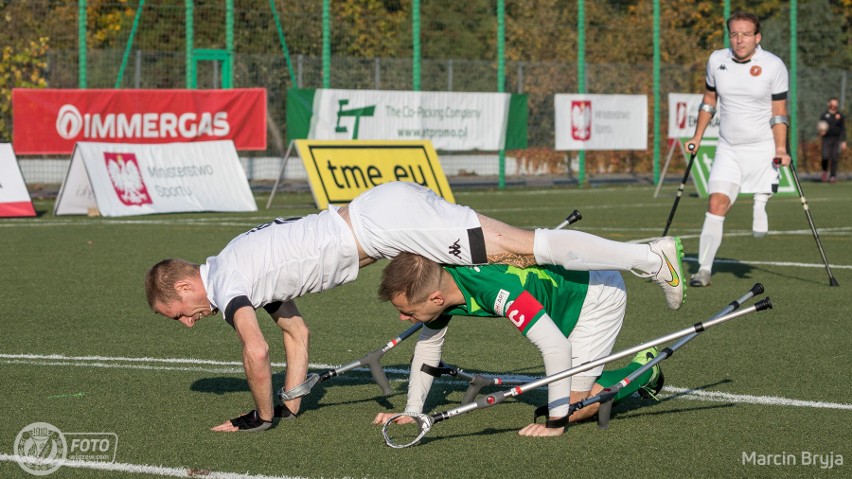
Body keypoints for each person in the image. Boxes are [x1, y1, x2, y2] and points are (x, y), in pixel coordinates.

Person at [145, 181, 683, 432]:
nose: (189, 323)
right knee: (519, 247)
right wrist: (290, 403)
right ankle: (644, 261)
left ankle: (647, 256)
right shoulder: (240, 265)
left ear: (186, 288)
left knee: (526, 244)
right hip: (384, 215)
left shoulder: (231, 280)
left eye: (180, 314)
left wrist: (260, 419)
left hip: (386, 224)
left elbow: (256, 351)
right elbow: (295, 336)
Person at [372, 253, 663, 437]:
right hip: (561, 296)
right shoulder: (442, 283)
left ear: (436, 298)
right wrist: (412, 412)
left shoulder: (496, 291)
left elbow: (556, 348)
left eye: (407, 311)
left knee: (571, 407)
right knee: (571, 385)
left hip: (595, 296)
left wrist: (557, 422)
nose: (403, 318)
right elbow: (428, 347)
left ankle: (643, 370)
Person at [686, 11, 791, 287]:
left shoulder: (773, 65)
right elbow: (709, 99)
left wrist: (781, 148)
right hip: (728, 146)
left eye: (745, 34)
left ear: (758, 37)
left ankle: (761, 202)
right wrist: (697, 135)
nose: (739, 40)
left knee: (761, 191)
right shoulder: (716, 60)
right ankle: (703, 270)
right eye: (734, 34)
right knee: (716, 203)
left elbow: (779, 112)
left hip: (762, 145)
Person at [818, 97, 846, 183]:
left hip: (836, 139)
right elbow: (820, 125)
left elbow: (843, 129)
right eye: (832, 103)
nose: (834, 105)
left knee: (834, 157)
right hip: (827, 139)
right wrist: (821, 131)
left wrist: (843, 141)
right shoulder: (824, 115)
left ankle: (832, 176)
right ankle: (824, 171)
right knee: (825, 156)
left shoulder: (840, 116)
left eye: (836, 103)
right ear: (829, 104)